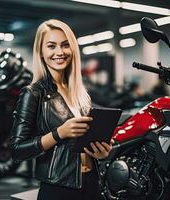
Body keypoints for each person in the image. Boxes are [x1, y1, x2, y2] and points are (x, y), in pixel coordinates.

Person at [9, 19, 113, 200]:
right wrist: (59, 133)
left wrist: (101, 152)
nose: (59, 52)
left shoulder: (80, 92)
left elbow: (86, 141)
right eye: (51, 46)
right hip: (58, 188)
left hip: (92, 183)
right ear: (41, 52)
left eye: (65, 45)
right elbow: (17, 150)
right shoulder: (33, 93)